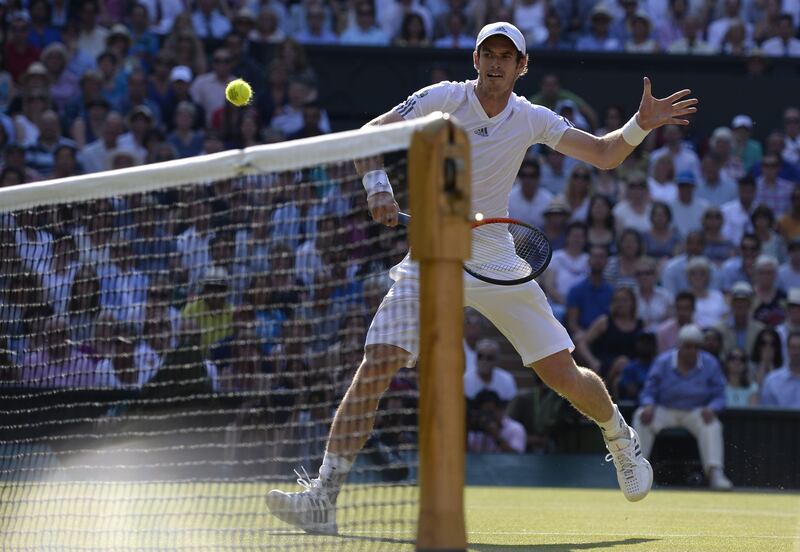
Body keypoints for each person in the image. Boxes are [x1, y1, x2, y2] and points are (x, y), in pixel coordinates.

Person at [266, 21, 698, 533]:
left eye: (506, 56)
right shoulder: (443, 97)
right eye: (487, 54)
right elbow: (370, 134)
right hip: (431, 256)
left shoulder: (532, 118)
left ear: (522, 67)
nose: (495, 63)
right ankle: (324, 497)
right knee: (378, 363)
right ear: (475, 61)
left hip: (496, 258)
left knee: (560, 375)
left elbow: (604, 154)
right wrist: (377, 185)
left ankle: (619, 436)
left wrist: (640, 126)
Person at [633, 324, 733, 490]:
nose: (691, 350)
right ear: (679, 346)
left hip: (696, 412)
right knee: (641, 415)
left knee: (713, 424)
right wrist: (648, 404)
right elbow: (649, 390)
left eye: (695, 347)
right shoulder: (663, 362)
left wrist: (712, 408)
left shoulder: (710, 363)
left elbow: (720, 395)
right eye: (687, 346)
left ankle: (715, 473)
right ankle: (636, 472)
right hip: (665, 409)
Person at [760, 331, 800, 408]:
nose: (797, 352)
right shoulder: (772, 380)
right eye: (793, 348)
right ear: (787, 350)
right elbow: (767, 413)